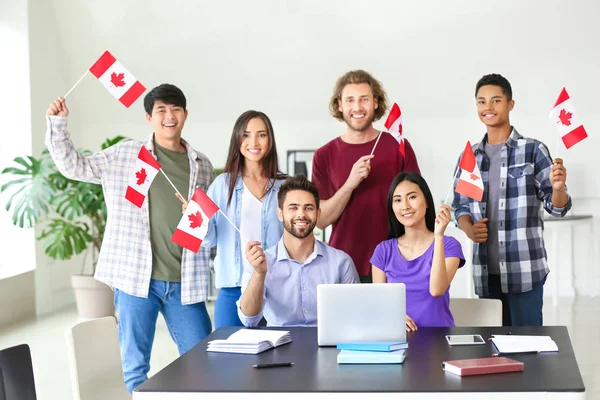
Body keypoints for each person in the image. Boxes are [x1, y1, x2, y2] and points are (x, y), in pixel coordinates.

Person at [45, 84, 214, 393]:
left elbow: (203, 224)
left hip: (184, 279)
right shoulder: (125, 155)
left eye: (175, 109)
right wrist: (58, 126)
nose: (169, 116)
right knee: (134, 367)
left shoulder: (201, 165)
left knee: (203, 358)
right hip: (137, 279)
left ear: (185, 115)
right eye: (161, 110)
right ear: (149, 117)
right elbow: (75, 166)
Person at [452, 73, 571, 326]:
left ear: (510, 104)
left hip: (525, 271)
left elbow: (556, 206)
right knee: (489, 352)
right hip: (485, 274)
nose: (488, 107)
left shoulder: (533, 150)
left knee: (528, 350)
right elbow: (459, 205)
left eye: (495, 100)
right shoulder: (469, 156)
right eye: (481, 102)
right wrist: (469, 229)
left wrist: (559, 188)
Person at [312, 69, 421, 283]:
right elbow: (321, 220)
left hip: (396, 262)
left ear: (376, 103)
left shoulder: (399, 147)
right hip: (343, 265)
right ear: (340, 105)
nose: (357, 107)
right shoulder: (324, 155)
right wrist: (350, 184)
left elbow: (418, 208)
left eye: (364, 99)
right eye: (350, 100)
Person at [237, 175, 359, 327]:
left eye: (308, 208)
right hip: (279, 347)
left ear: (318, 214)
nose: (301, 214)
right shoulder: (260, 261)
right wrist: (259, 274)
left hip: (328, 346)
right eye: (293, 208)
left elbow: (354, 317)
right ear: (280, 214)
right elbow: (249, 319)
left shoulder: (341, 262)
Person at [202, 110, 286, 328]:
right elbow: (209, 240)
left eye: (262, 134)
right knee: (229, 361)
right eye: (246, 135)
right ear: (237, 140)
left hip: (278, 288)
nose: (254, 142)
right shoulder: (222, 184)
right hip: (232, 289)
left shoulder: (285, 186)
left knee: (279, 357)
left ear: (270, 140)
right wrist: (196, 220)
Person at [372, 172, 465, 331]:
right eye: (398, 200)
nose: (405, 206)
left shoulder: (449, 246)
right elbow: (380, 304)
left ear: (427, 202)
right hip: (397, 338)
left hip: (439, 341)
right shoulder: (383, 251)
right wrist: (394, 317)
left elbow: (436, 290)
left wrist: (439, 236)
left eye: (412, 197)